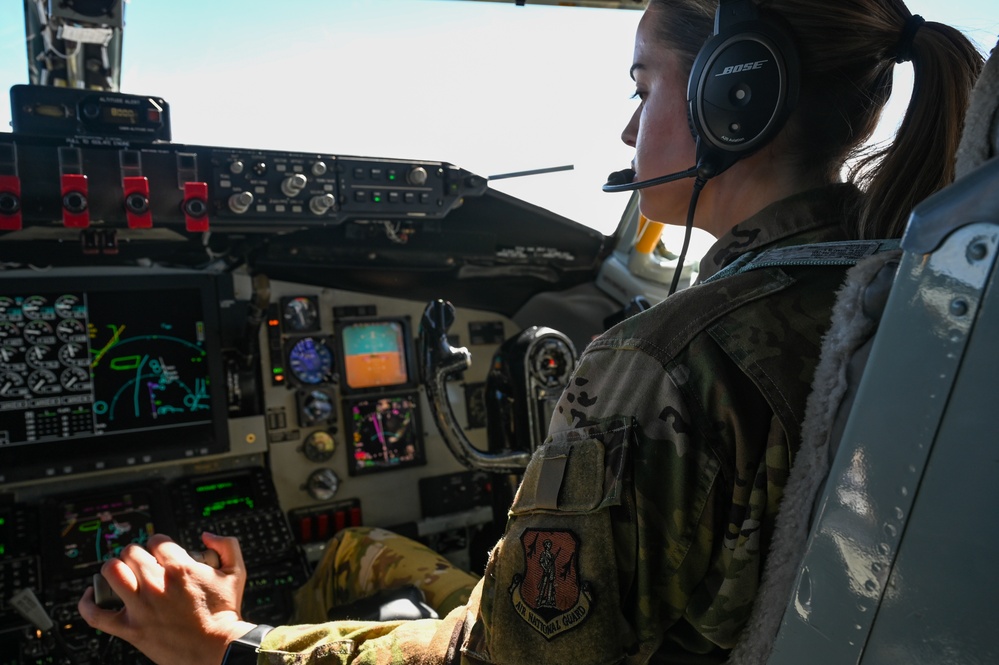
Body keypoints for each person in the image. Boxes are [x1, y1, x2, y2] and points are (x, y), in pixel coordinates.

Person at [77, 1, 983, 663]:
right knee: (366, 549)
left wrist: (227, 644)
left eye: (644, 85)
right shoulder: (913, 300)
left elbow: (503, 660)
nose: (629, 124)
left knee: (349, 559)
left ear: (731, 96)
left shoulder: (662, 359)